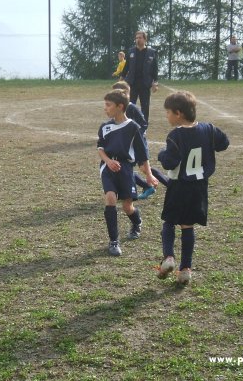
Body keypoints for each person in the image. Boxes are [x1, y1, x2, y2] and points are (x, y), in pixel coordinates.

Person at [156, 91, 229, 284]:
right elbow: (224, 143)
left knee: (169, 222)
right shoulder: (209, 129)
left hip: (179, 186)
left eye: (168, 112)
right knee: (187, 226)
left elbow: (170, 162)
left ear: (178, 113)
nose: (167, 116)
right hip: (199, 188)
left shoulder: (175, 135)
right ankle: (186, 269)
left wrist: (161, 154)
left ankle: (169, 257)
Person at [97, 89, 158, 256]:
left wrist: (149, 174)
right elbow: (100, 149)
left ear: (120, 106)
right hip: (107, 167)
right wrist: (108, 161)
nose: (105, 108)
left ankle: (136, 222)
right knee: (110, 197)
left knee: (127, 206)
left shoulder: (133, 127)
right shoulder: (105, 126)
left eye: (108, 105)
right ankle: (113, 241)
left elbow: (142, 155)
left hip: (126, 168)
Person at [112, 81, 168, 200]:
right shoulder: (117, 109)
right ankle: (147, 186)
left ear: (126, 94)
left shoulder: (132, 108)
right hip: (128, 146)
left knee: (144, 168)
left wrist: (135, 136)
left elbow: (143, 124)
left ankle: (170, 184)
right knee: (125, 168)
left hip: (138, 144)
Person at [121, 31, 159, 125]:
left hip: (145, 84)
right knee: (130, 105)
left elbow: (155, 68)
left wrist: (155, 83)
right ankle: (129, 124)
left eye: (140, 38)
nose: (138, 39)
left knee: (145, 106)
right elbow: (126, 67)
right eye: (136, 38)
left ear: (145, 39)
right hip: (132, 83)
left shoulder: (152, 52)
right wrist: (121, 78)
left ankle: (143, 126)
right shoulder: (131, 51)